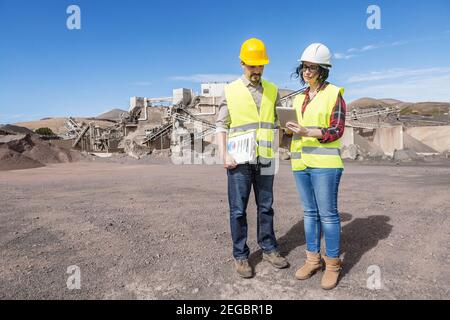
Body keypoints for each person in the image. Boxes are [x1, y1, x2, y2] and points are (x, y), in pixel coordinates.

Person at [215, 38, 289, 278]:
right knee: (238, 209)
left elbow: (278, 122)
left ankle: (269, 249)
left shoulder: (272, 89)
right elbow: (221, 125)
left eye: (260, 66)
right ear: (242, 63)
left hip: (266, 157)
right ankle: (241, 255)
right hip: (239, 161)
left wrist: (285, 140)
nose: (256, 71)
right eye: (252, 66)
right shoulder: (231, 90)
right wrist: (224, 154)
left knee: (266, 207)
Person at [285, 43, 346, 290]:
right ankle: (313, 260)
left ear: (323, 69)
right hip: (300, 162)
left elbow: (336, 130)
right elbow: (295, 131)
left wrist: (306, 131)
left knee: (328, 215)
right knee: (309, 214)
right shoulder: (299, 97)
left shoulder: (334, 94)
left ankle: (332, 265)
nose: (306, 72)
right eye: (304, 67)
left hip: (325, 164)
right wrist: (287, 129)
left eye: (312, 68)